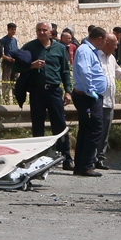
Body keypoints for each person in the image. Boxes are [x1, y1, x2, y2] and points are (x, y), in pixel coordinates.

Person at [16, 21, 73, 169]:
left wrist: (68, 91)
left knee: (59, 125)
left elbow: (65, 71)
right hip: (37, 91)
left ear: (50, 32)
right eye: (39, 30)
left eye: (44, 30)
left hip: (54, 91)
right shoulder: (30, 47)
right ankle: (38, 159)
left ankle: (66, 158)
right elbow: (16, 65)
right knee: (38, 126)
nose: (41, 32)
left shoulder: (60, 48)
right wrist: (31, 66)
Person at [70, 25, 109, 176]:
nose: (105, 43)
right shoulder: (85, 51)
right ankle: (86, 165)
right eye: (105, 40)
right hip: (87, 97)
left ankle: (80, 165)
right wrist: (90, 90)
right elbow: (85, 71)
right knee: (94, 129)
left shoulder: (90, 50)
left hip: (89, 96)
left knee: (86, 131)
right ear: (99, 39)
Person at [96, 30, 121, 169]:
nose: (117, 47)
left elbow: (119, 73)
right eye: (115, 44)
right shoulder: (95, 57)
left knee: (105, 132)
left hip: (109, 101)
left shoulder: (111, 58)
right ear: (107, 43)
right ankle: (91, 157)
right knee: (96, 131)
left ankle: (100, 157)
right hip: (97, 101)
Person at [0, 22, 20, 100]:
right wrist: (7, 58)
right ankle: (6, 99)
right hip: (7, 64)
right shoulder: (4, 40)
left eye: (14, 30)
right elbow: (0, 53)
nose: (13, 31)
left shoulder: (14, 40)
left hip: (14, 64)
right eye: (12, 29)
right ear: (8, 30)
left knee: (15, 81)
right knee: (6, 82)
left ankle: (16, 99)